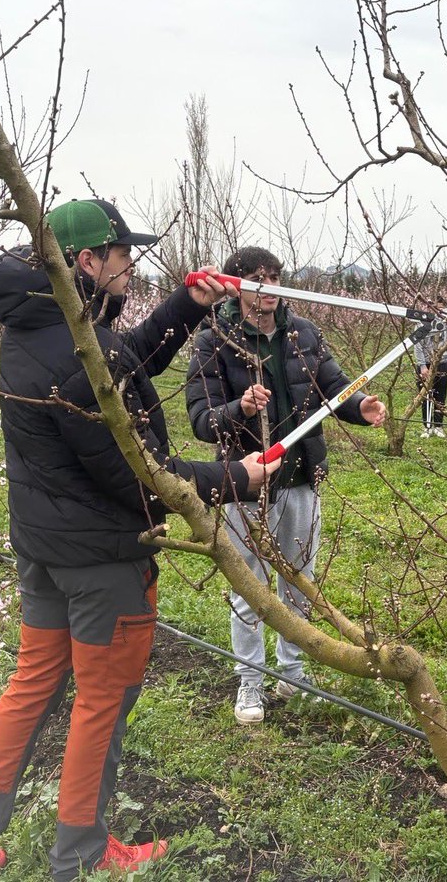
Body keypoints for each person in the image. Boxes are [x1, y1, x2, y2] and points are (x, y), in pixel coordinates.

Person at [0, 199, 277, 882]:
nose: (130, 264)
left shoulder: (39, 322)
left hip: (45, 548)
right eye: (122, 255)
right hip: (102, 562)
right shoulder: (73, 349)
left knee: (31, 686)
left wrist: (182, 307)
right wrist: (236, 475)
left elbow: (116, 366)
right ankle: (81, 855)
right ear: (88, 261)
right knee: (102, 701)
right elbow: (138, 475)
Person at [185, 246, 387, 725]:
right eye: (259, 277)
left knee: (298, 581)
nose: (270, 286)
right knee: (249, 586)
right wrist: (241, 410)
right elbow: (200, 419)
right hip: (245, 480)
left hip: (300, 478)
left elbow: (331, 388)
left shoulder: (304, 333)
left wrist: (358, 407)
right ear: (235, 285)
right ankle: (250, 682)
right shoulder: (214, 338)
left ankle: (293, 675)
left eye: (276, 276)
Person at [414, 295, 447, 438]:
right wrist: (423, 366)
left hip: (442, 363)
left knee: (440, 395)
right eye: (435, 308)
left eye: (441, 308)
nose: (438, 311)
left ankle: (438, 426)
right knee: (425, 395)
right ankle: (427, 426)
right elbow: (417, 346)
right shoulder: (422, 324)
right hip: (426, 362)